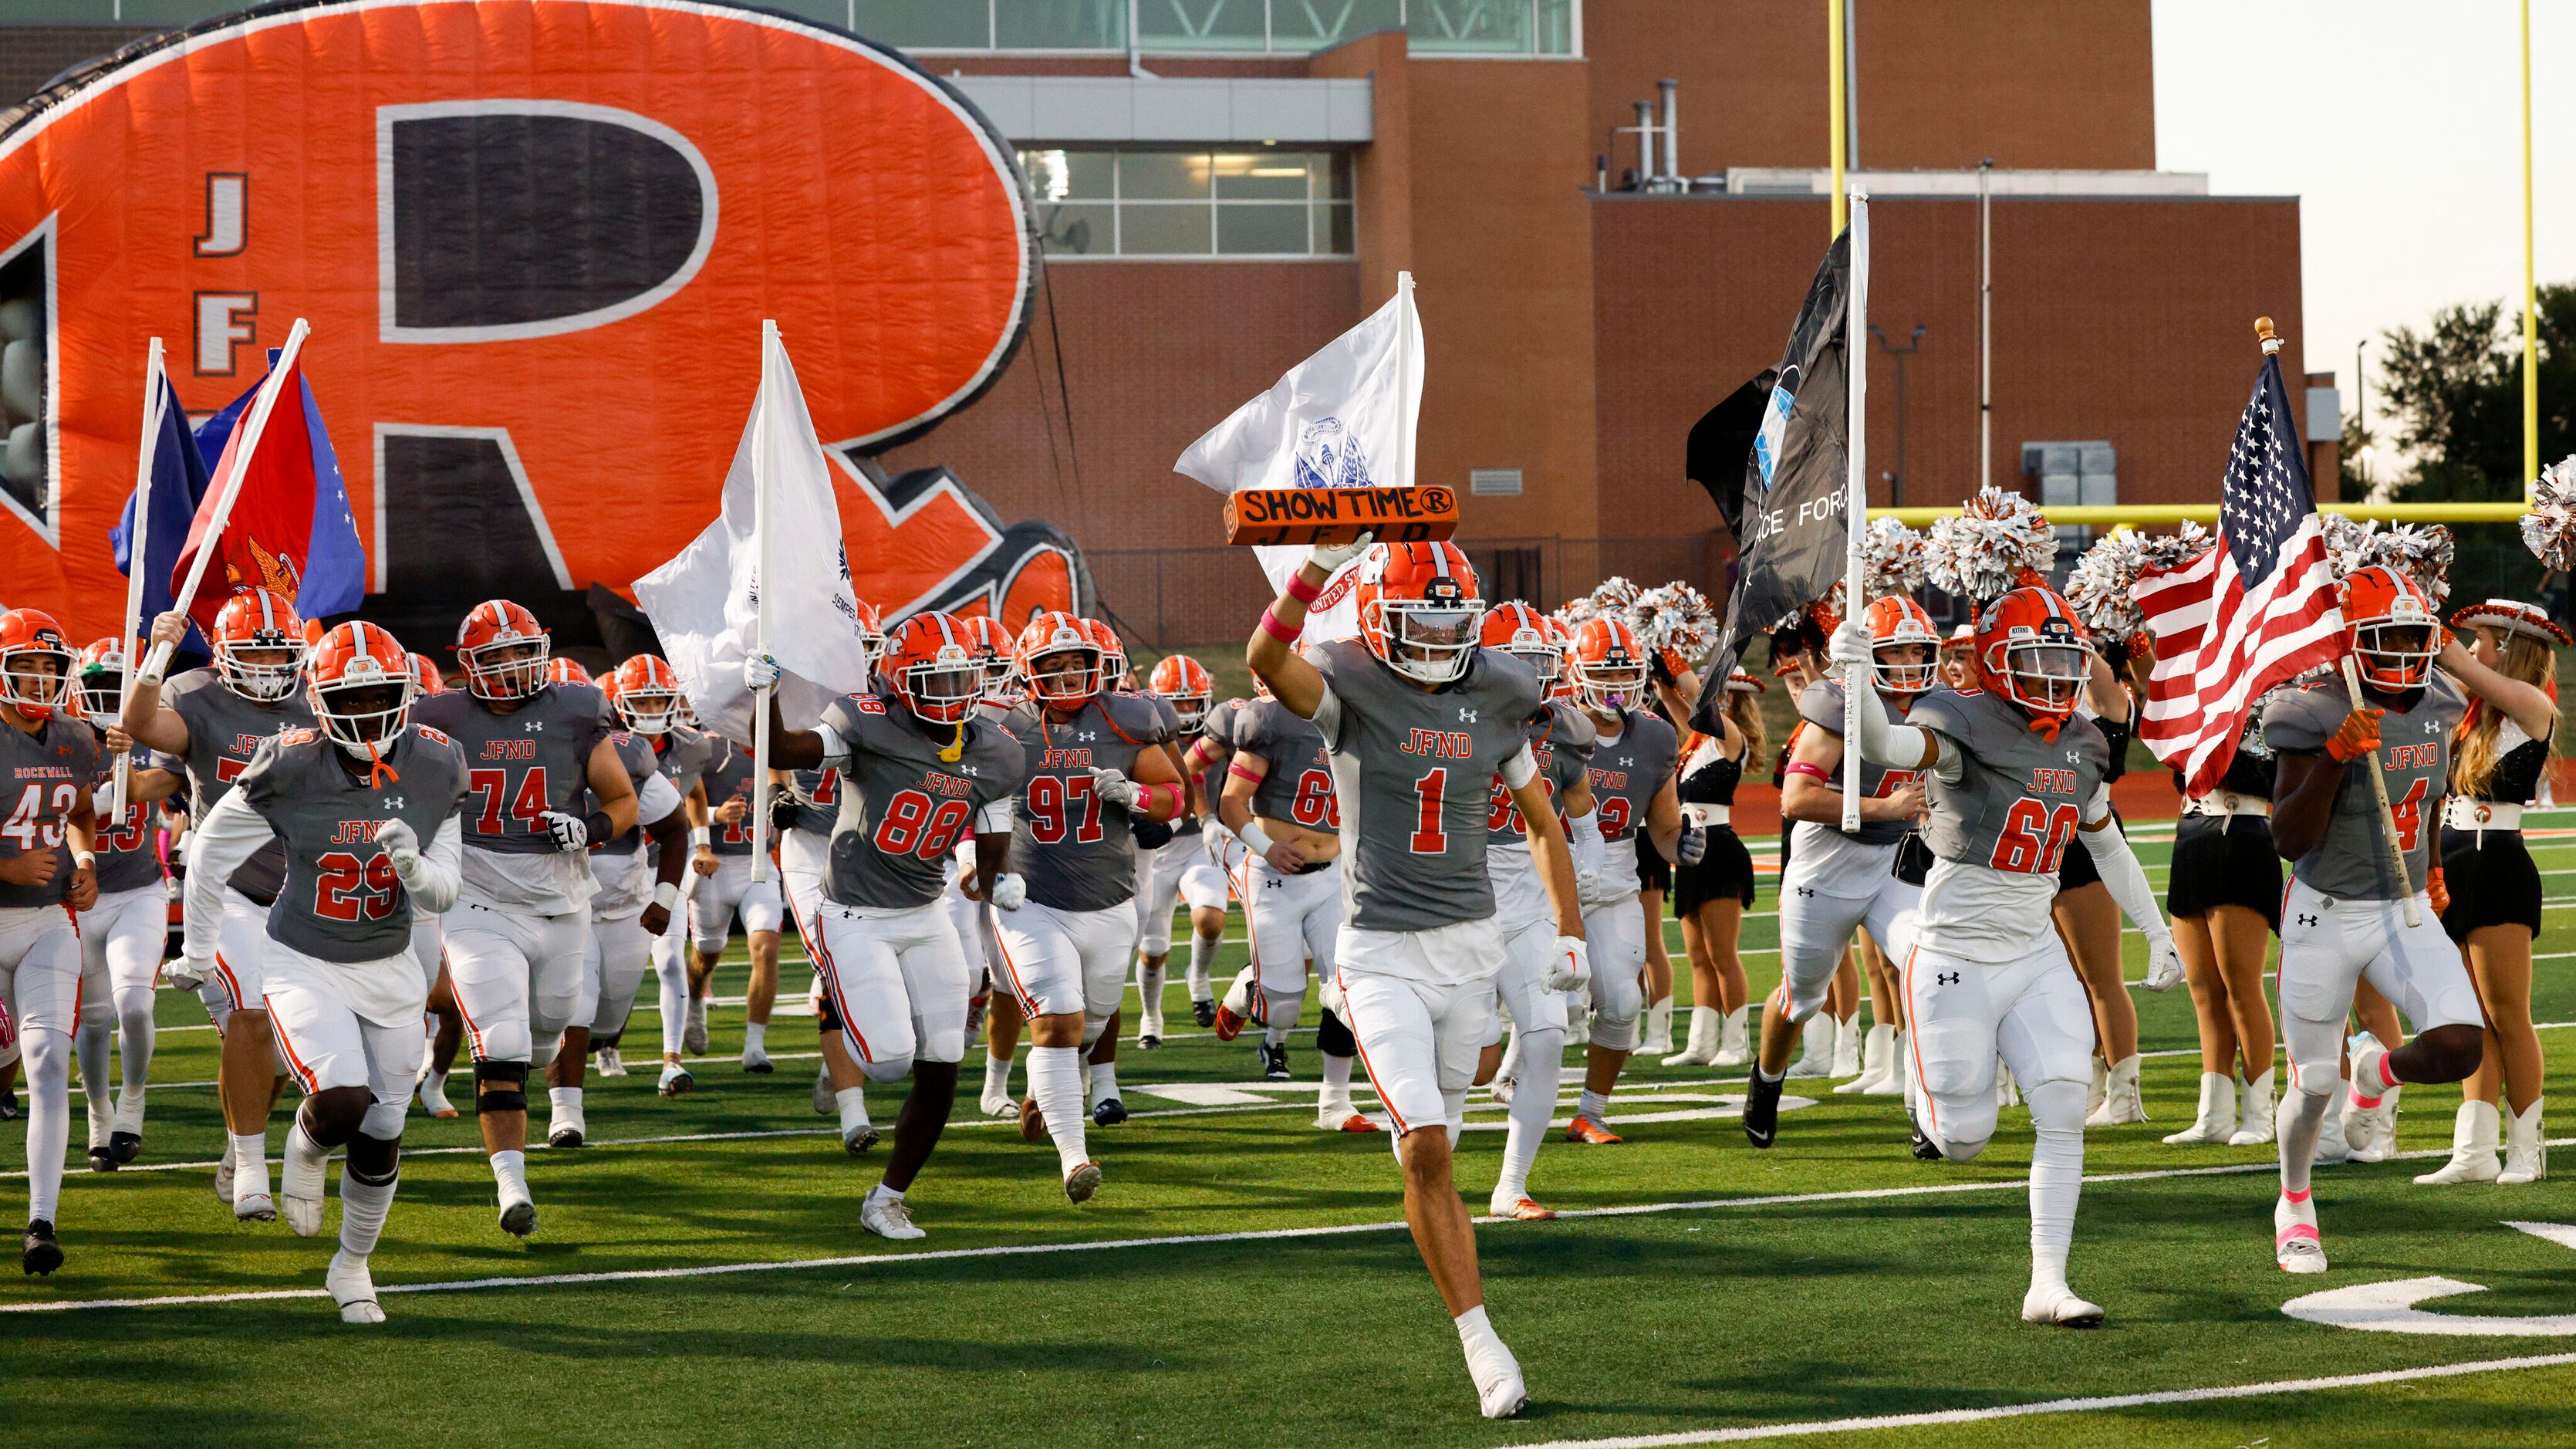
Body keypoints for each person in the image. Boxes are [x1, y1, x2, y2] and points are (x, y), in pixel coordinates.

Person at [1247, 535, 1588, 1419]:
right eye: (1418, 621)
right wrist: (1315, 567)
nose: (1437, 641)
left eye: (1450, 622)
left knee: (1459, 1097)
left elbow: (1546, 824)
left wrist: (1569, 934)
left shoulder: (1504, 689)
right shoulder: (1349, 683)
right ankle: (1483, 1341)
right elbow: (1263, 657)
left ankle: (1461, 1241)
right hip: (1380, 950)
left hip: (1470, 943)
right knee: (1426, 1146)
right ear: (1376, 619)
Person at [1828, 586, 2181, 1324]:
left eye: (2064, 657)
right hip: (1954, 948)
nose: (2054, 674)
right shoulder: (1962, 718)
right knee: (1962, 1139)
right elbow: (1884, 747)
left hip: (2032, 949)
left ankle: (2046, 1282)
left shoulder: (2083, 740)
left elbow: (2104, 842)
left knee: (2060, 1104)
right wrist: (1857, 680)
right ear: (1994, 660)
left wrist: (2156, 929)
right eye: (2036, 658)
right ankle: (1924, 1091)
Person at [179, 621, 466, 1320]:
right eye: (351, 697)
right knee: (341, 1101)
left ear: (405, 694)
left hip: (390, 959)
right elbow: (210, 854)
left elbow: (445, 892)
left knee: (384, 1129)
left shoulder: (438, 761)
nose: (367, 712)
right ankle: (302, 1153)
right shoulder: (290, 763)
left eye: (380, 696)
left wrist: (411, 865)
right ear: (320, 699)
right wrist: (196, 950)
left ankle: (353, 1266)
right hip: (303, 955)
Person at [754, 613, 1025, 1238]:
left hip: (926, 911)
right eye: (937, 680)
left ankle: (886, 1198)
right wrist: (765, 699)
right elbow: (786, 750)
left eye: (962, 678)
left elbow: (992, 841)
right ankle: (843, 1033)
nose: (955, 693)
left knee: (944, 1058)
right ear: (901, 684)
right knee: (888, 1061)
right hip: (854, 913)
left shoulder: (997, 750)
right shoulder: (865, 722)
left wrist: (1000, 879)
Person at [2260, 565, 2499, 1271]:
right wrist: (2333, 757)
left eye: (2411, 635)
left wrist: (2429, 867)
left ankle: (2378, 1073)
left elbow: (2423, 797)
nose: (2401, 651)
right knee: (2310, 1085)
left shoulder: (2438, 702)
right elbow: (2287, 839)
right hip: (2324, 912)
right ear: (2350, 641)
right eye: (2384, 637)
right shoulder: (2311, 709)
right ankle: (2294, 1204)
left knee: (2460, 1045)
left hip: (2402, 906)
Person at [412, 599, 638, 1237]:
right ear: (467, 666)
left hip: (561, 899)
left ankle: (538, 1077)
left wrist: (590, 826)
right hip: (476, 897)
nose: (511, 667)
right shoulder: (436, 715)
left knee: (549, 1028)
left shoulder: (574, 706)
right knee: (502, 1041)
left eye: (521, 652)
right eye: (496, 656)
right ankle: (511, 1185)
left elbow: (623, 802)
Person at [121, 589, 318, 1221]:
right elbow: (143, 726)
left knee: (284, 1051)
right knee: (253, 1016)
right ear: (223, 655)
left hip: (302, 888)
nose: (267, 668)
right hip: (226, 886)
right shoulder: (195, 693)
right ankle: (255, 1170)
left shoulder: (318, 697)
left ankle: (238, 1148)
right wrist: (157, 655)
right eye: (253, 654)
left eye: (278, 654)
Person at [992, 611, 1184, 1199]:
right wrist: (983, 866)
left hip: (1109, 899)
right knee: (1056, 1020)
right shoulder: (1003, 728)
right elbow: (968, 800)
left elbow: (1174, 797)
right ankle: (1074, 1158)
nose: (1070, 676)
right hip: (1032, 899)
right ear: (1030, 673)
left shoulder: (1125, 718)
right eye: (1055, 667)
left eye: (1078, 665)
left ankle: (1040, 1091)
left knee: (1090, 1023)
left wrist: (1133, 794)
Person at [1741, 596, 1934, 1149]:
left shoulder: (1936, 704)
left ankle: (1924, 1105)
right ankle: (1767, 1079)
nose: (1910, 661)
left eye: (1918, 649)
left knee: (1925, 972)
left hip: (1891, 864)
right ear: (1870, 656)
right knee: (1802, 997)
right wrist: (1885, 808)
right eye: (1896, 651)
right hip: (1826, 861)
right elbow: (1795, 799)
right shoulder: (1838, 705)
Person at [2412, 599, 2561, 1185]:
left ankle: (2527, 1148)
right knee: (2465, 1014)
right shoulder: (2471, 713)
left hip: (2497, 862)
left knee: (2507, 1014)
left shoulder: (2532, 703)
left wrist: (2421, 608)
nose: (2471, 648)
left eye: (2481, 639)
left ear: (2510, 647)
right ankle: (2474, 1150)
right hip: (2452, 861)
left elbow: (2462, 669)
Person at [1474, 600, 1595, 1215]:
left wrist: (1576, 913)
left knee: (1547, 1038)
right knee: (1468, 1065)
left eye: (1539, 662)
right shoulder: (1451, 716)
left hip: (1525, 901)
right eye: (1517, 662)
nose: (1530, 676)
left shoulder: (1563, 729)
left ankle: (1511, 1186)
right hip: (1455, 902)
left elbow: (1573, 814)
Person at [1218, 654, 1373, 1130]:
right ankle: (1247, 992)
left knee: (1348, 988)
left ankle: (1336, 1102)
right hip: (1273, 876)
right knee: (1282, 1003)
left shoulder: (1358, 720)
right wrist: (1265, 848)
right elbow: (1231, 802)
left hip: (1333, 876)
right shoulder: (1270, 721)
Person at [1558, 616, 1691, 1143]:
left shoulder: (1656, 735)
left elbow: (1662, 828)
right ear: (1575, 673)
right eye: (1602, 675)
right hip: (1550, 866)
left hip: (1616, 872)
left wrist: (1683, 845)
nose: (1615, 687)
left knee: (1622, 1002)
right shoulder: (1550, 724)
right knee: (1554, 1000)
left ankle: (1590, 1112)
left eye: (1623, 676)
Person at [553, 665, 691, 1150]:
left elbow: (676, 829)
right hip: (564, 901)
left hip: (626, 904)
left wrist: (666, 897)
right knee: (576, 1004)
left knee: (606, 1018)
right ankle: (566, 1114)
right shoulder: (523, 756)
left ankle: (586, 1049)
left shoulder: (628, 754)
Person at [0, 610, 99, 1275]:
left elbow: (82, 813)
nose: (39, 681)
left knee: (47, 1063)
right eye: (25, 667)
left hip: (45, 922)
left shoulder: (74, 737)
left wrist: (86, 861)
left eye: (49, 669)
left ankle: (41, 1220)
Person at [2161, 710, 2283, 1147]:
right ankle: (2213, 1114)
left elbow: (2265, 773)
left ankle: (2259, 1112)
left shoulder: (2265, 698)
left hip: (2241, 831)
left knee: (2240, 986)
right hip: (2192, 831)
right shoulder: (2202, 698)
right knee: (2202, 988)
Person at [606, 654, 722, 1097]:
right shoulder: (606, 745)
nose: (654, 711)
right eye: (644, 701)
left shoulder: (690, 744)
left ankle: (670, 1061)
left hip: (664, 867)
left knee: (672, 960)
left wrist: (703, 839)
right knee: (615, 975)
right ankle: (602, 1041)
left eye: (660, 700)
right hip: (612, 871)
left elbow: (692, 787)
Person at [71, 639, 164, 1169]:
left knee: (135, 1005)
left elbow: (176, 777)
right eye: (99, 687)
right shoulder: (61, 739)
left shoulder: (151, 730)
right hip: (81, 895)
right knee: (96, 1017)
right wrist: (88, 797)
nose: (108, 698)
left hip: (137, 889)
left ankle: (132, 1100)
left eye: (118, 687)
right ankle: (98, 1110)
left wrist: (130, 783)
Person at [2055, 648, 2148, 1126]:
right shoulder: (2043, 703)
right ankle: (2094, 1084)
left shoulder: (2109, 703)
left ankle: (2125, 1093)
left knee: (2102, 979)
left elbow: (2104, 688)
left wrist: (2079, 635)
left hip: (2090, 841)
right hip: (2044, 845)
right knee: (2070, 981)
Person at [1663, 669, 1763, 1068]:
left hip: (1720, 848)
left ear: (1732, 700)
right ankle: (1702, 1043)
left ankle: (1736, 1043)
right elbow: (1680, 706)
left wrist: (1682, 671)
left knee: (1722, 954)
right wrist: (1659, 674)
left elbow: (1696, 703)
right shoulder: (1695, 743)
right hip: (1691, 850)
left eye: (1720, 694)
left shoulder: (1730, 737)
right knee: (1697, 955)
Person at [1135, 654, 1228, 1050]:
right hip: (1156, 850)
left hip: (1199, 845)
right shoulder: (1139, 732)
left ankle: (1199, 977)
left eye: (1193, 701)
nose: (1187, 711)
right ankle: (1151, 1015)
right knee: (1153, 949)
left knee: (1210, 920)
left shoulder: (1221, 729)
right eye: (1178, 702)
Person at [687, 725, 786, 1073]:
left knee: (767, 947)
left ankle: (754, 1045)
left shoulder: (782, 744)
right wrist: (716, 815)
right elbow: (679, 801)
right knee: (706, 955)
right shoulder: (709, 747)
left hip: (759, 863)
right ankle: (696, 1000)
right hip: (715, 861)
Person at [405, 653, 468, 1117]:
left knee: (452, 1000)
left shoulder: (449, 753)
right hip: (377, 893)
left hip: (442, 892)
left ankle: (434, 1082)